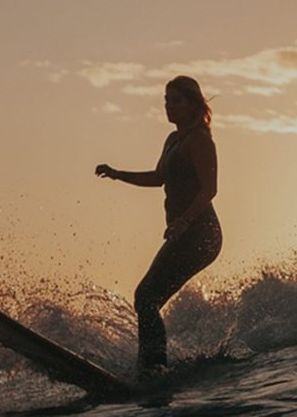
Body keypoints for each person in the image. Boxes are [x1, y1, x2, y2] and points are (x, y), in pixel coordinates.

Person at [95, 75, 223, 379]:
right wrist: (117, 173)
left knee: (146, 297)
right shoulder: (173, 140)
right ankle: (153, 365)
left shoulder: (200, 140)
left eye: (175, 100)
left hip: (201, 235)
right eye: (166, 100)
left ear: (193, 104)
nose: (168, 106)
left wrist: (183, 221)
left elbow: (209, 190)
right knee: (147, 298)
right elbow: (158, 178)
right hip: (183, 234)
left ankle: (154, 368)